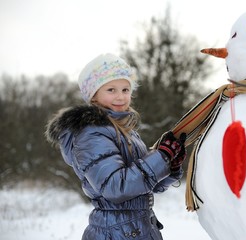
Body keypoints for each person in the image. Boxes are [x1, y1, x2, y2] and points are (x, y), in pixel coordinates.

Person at [45, 53, 187, 240]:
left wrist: (169, 164)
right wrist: (159, 157)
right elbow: (116, 187)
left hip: (138, 227)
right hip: (115, 231)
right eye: (111, 90)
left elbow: (144, 186)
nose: (120, 97)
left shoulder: (125, 130)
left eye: (125, 90)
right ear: (93, 95)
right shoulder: (91, 133)